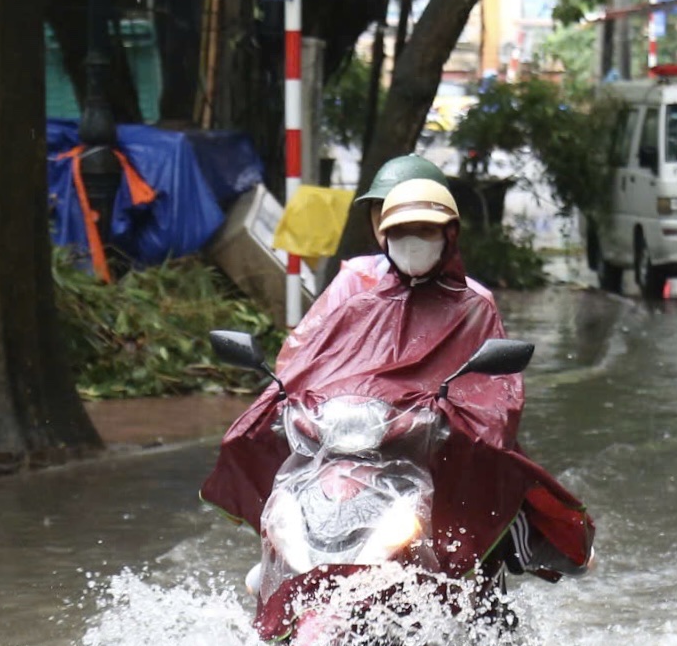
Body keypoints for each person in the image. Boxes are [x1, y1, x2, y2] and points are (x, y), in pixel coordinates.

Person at [202, 178, 592, 580]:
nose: (413, 241)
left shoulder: (474, 307)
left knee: (497, 480)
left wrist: (455, 418)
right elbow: (312, 362)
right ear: (384, 237)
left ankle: (506, 556)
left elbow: (496, 397)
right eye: (401, 232)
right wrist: (287, 400)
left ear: (449, 234)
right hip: (363, 443)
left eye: (424, 230)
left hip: (437, 447)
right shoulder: (359, 301)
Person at [292, 153, 474, 343]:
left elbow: (490, 372)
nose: (389, 218)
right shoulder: (356, 279)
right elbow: (310, 352)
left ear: (449, 229)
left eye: (424, 228)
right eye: (380, 206)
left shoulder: (474, 303)